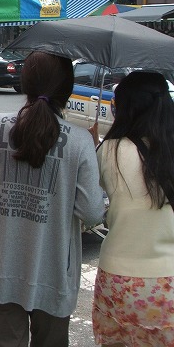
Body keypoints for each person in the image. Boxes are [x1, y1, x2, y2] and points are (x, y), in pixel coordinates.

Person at [0, 51, 106, 347]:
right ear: (67, 89)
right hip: (54, 273)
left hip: (0, 266)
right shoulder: (80, 140)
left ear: (24, 82)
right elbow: (93, 212)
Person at [91, 71, 174, 347]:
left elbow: (94, 192)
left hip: (117, 277)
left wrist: (94, 146)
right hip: (168, 281)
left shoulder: (109, 150)